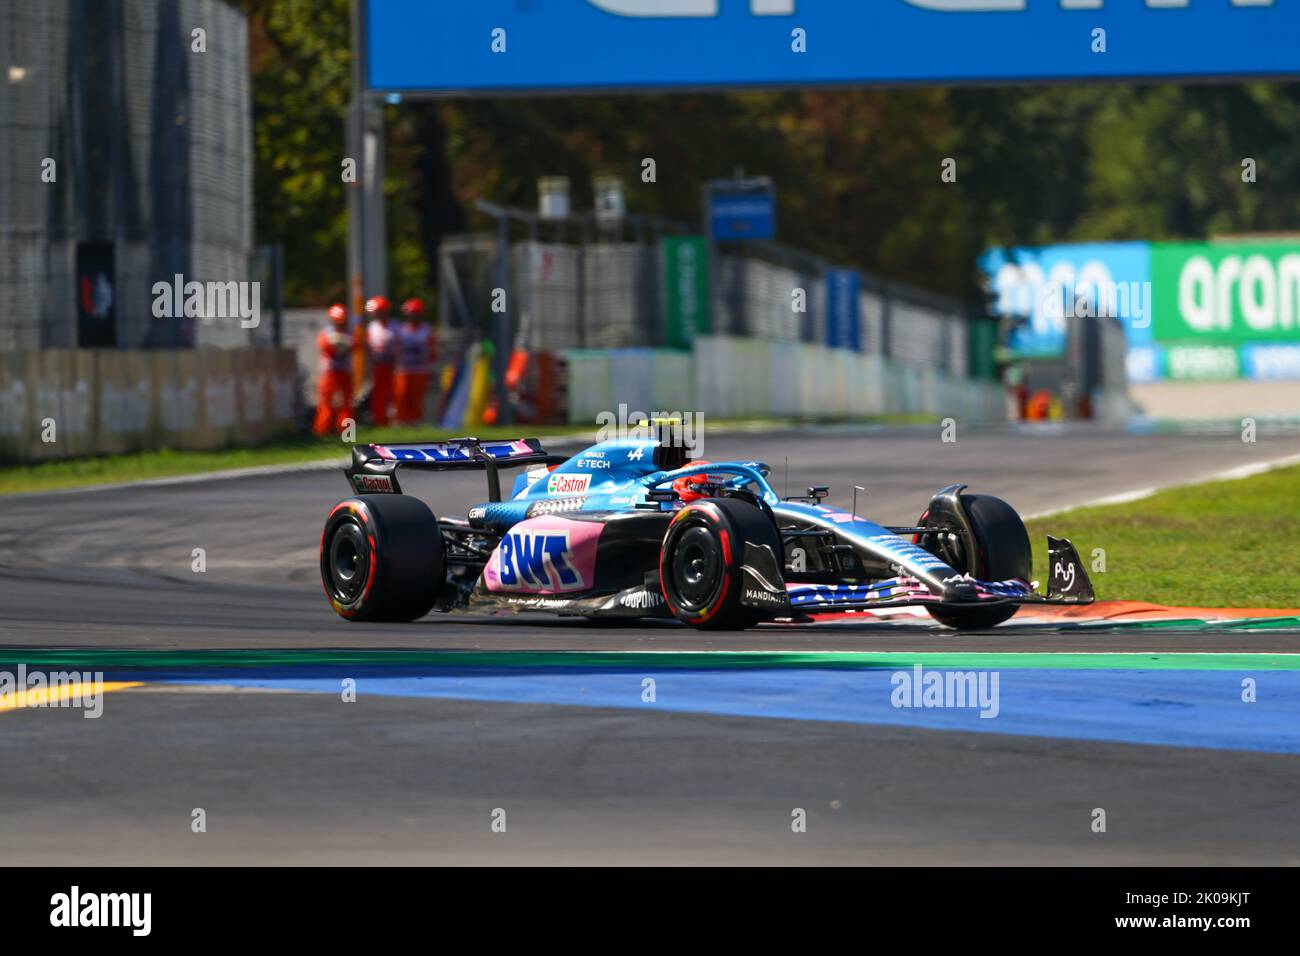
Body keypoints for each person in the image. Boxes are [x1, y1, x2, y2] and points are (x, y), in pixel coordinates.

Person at [313, 303, 355, 437]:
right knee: (326, 403)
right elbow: (325, 348)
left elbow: (357, 344)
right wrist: (339, 345)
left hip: (345, 372)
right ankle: (322, 432)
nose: (340, 325)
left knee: (346, 403)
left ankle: (347, 433)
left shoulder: (350, 333)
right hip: (329, 373)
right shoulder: (326, 333)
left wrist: (344, 344)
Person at [394, 298, 436, 424]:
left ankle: (415, 420)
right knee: (402, 395)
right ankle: (401, 419)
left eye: (414, 314)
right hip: (404, 369)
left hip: (419, 369)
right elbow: (396, 348)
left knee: (417, 396)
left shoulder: (426, 329)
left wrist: (428, 362)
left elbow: (432, 349)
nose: (412, 316)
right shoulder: (401, 329)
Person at [364, 295, 396, 426]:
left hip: (393, 366)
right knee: (378, 394)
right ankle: (380, 420)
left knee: (394, 393)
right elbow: (367, 349)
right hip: (377, 366)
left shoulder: (394, 326)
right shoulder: (371, 327)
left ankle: (395, 420)